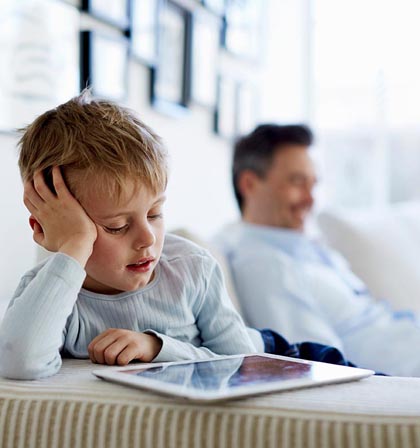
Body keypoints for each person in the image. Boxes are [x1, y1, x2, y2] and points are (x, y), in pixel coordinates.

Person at [0, 93, 358, 380]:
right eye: (117, 226)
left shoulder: (192, 267)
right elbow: (19, 360)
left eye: (155, 214)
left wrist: (157, 348)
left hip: (277, 348)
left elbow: (242, 361)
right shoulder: (53, 293)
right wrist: (73, 246)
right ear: (50, 230)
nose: (147, 239)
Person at [213, 123, 420, 377]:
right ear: (249, 183)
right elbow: (319, 365)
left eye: (313, 184)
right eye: (297, 182)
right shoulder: (262, 263)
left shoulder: (300, 244)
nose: (311, 199)